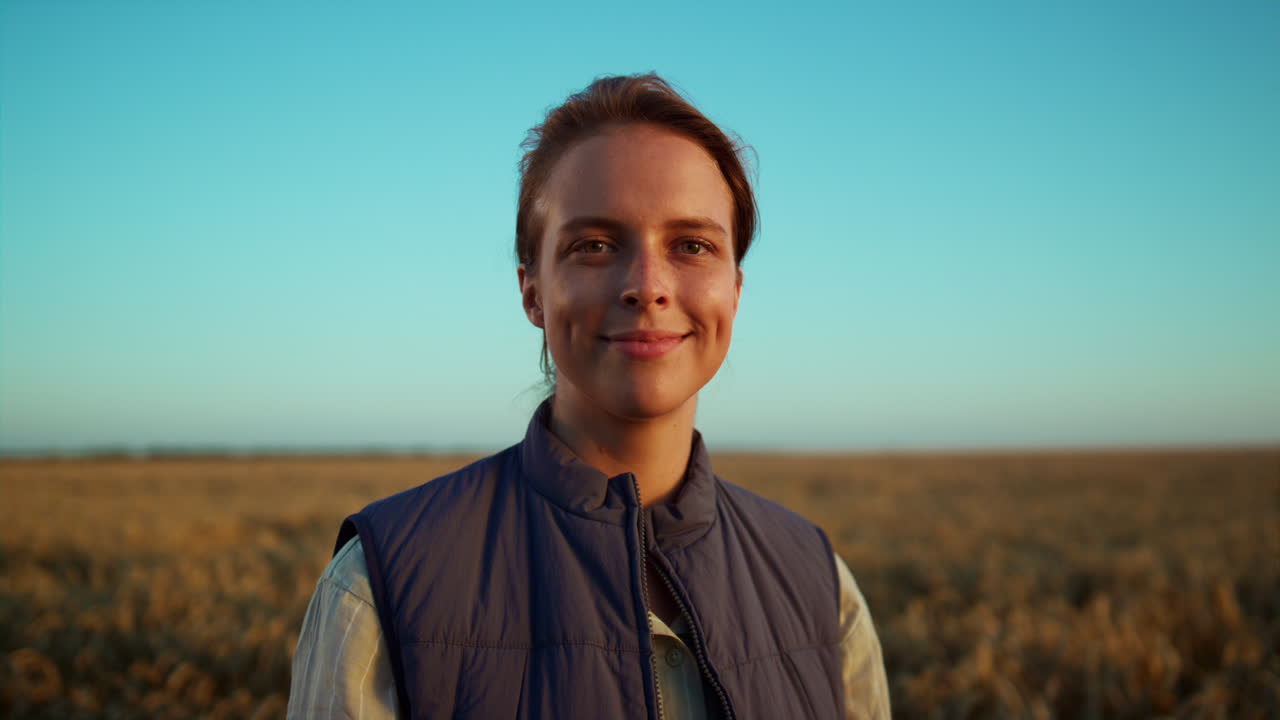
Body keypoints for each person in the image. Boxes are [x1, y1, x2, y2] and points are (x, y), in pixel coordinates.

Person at [286, 73, 891, 720]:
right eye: (594, 246)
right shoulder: (380, 586)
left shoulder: (821, 587)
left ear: (734, 290)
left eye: (692, 245)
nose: (647, 285)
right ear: (533, 293)